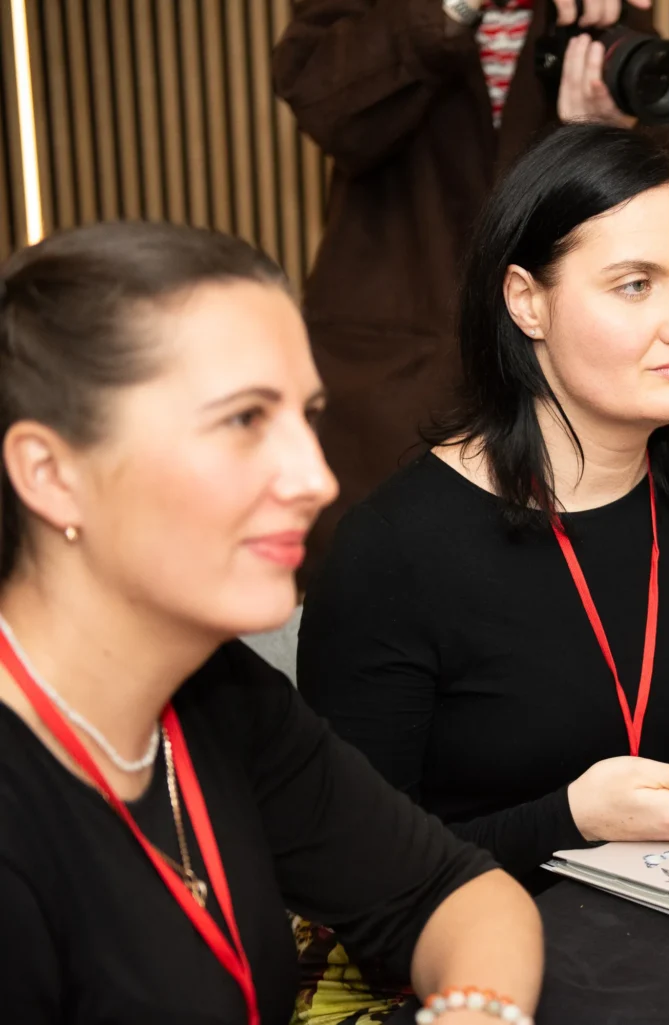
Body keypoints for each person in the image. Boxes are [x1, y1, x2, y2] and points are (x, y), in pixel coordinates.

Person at [296, 124, 669, 889]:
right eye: (636, 285)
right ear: (526, 302)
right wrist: (574, 816)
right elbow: (352, 871)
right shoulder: (395, 550)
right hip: (466, 941)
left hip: (665, 913)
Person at [0, 222, 543, 1025]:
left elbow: (451, 891)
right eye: (244, 419)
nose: (316, 478)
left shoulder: (217, 693)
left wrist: (478, 1011)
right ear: (51, 474)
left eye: (306, 415)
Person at [273, 0, 669, 580]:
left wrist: (602, 141)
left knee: (557, 597)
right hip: (394, 374)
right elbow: (326, 104)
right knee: (378, 586)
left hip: (563, 385)